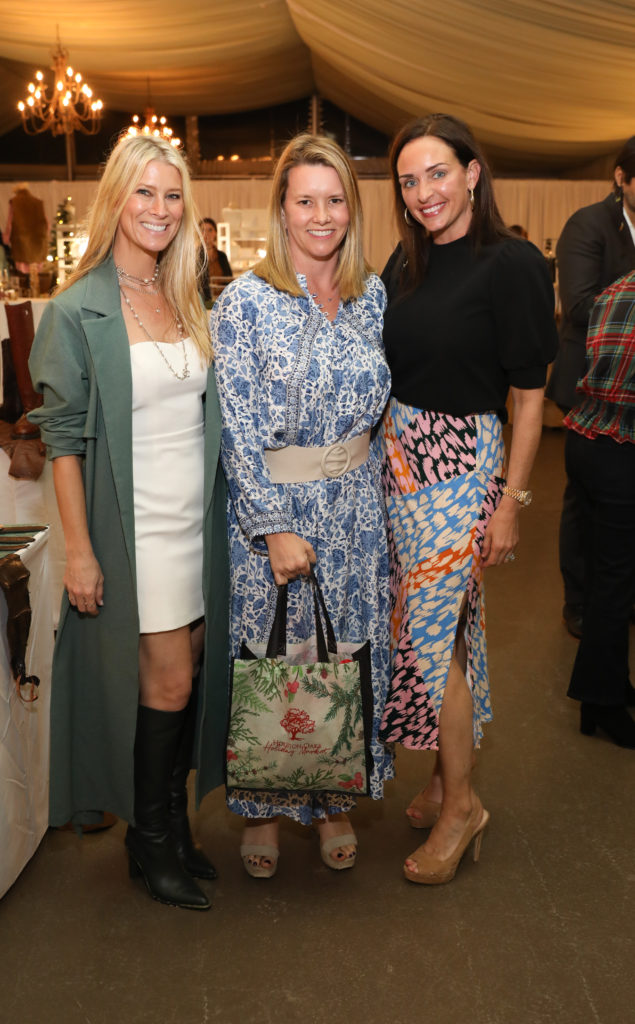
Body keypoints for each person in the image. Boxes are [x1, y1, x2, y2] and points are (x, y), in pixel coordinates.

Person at [28, 133, 229, 910]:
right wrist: (78, 550)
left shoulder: (186, 296)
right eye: (144, 193)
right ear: (116, 199)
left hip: (196, 525)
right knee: (169, 682)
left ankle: (169, 828)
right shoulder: (77, 311)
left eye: (172, 195)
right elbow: (64, 443)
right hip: (132, 529)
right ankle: (146, 837)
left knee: (183, 682)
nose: (159, 209)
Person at [210, 133, 394, 878]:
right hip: (273, 517)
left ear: (351, 209)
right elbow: (236, 427)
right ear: (281, 210)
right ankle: (262, 809)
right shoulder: (246, 304)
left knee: (342, 658)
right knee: (272, 664)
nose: (321, 215)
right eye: (304, 200)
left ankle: (332, 799)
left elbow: (383, 411)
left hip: (356, 511)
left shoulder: (370, 294)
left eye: (334, 200)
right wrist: (274, 527)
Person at [380, 113, 557, 885]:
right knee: (443, 632)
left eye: (438, 174)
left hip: (460, 466)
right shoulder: (405, 260)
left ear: (473, 173)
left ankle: (462, 807)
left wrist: (511, 500)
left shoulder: (511, 263)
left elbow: (528, 394)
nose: (424, 193)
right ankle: (441, 779)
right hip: (398, 462)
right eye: (409, 181)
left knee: (429, 636)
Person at [547, 136, 635, 639]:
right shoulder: (589, 224)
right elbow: (580, 306)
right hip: (590, 386)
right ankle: (578, 600)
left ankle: (618, 595)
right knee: (585, 502)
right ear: (621, 178)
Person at [564, 270, 635, 748]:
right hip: (622, 449)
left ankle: (608, 685)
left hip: (586, 441)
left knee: (601, 575)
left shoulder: (616, 288)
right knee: (616, 584)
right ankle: (600, 701)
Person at [3, 184, 49, 272]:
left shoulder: (15, 201)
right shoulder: (38, 202)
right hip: (38, 243)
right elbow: (46, 223)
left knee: (23, 273)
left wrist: (6, 238)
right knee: (36, 273)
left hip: (21, 243)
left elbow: (10, 223)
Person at [199, 217, 232, 303]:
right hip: (203, 302)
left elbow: (229, 279)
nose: (206, 234)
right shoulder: (194, 257)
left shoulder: (222, 256)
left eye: (210, 230)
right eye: (203, 230)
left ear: (215, 233)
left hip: (223, 301)